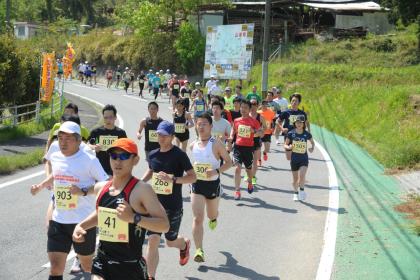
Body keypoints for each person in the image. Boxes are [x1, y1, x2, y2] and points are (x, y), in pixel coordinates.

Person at [72, 138, 170, 280]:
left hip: (129, 266)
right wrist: (81, 226)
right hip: (103, 260)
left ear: (135, 160)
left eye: (124, 156)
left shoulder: (142, 190)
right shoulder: (101, 187)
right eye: (114, 156)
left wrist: (134, 218)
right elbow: (102, 214)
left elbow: (165, 225)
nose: (117, 161)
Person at [31, 121, 109, 280]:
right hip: (59, 220)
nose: (63, 142)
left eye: (68, 139)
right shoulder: (55, 155)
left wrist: (83, 191)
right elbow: (57, 174)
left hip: (83, 222)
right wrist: (41, 186)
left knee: (87, 265)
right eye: (60, 138)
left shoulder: (89, 160)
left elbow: (106, 184)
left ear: (79, 141)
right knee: (55, 267)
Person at [141, 121, 197, 279]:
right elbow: (151, 170)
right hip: (154, 205)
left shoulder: (179, 155)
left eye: (165, 135)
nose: (161, 138)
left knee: (170, 241)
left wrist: (173, 179)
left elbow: (193, 177)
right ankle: (150, 276)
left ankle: (184, 244)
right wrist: (139, 183)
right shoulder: (153, 153)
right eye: (159, 134)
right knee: (153, 240)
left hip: (172, 206)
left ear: (172, 137)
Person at [189, 113, 232, 262]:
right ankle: (199, 250)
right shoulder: (193, 144)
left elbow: (229, 162)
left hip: (213, 184)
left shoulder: (216, 143)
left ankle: (214, 218)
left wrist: (216, 171)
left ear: (210, 127)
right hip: (197, 185)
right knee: (197, 218)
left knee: (211, 215)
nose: (200, 127)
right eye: (198, 124)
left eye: (204, 124)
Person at [228, 100, 262, 200]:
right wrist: (230, 137)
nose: (243, 109)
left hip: (248, 148)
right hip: (238, 147)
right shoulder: (237, 120)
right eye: (241, 107)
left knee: (248, 169)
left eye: (245, 108)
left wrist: (254, 131)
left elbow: (261, 133)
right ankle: (237, 191)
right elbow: (233, 130)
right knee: (237, 168)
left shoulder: (254, 121)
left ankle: (250, 182)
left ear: (249, 109)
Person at [88, 104, 127, 176]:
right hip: (100, 168)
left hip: (116, 168)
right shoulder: (96, 132)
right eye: (105, 118)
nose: (108, 120)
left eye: (110, 117)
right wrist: (94, 147)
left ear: (115, 117)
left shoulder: (121, 133)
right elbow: (88, 144)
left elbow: (126, 149)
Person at [284, 115, 315, 201]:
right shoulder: (291, 133)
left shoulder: (307, 134)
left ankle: (301, 191)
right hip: (294, 159)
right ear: (295, 123)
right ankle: (295, 193)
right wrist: (288, 147)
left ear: (304, 124)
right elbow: (285, 144)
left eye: (300, 122)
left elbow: (312, 143)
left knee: (302, 176)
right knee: (295, 179)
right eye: (297, 122)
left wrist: (312, 148)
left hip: (303, 159)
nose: (299, 124)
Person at [277, 94, 309, 161]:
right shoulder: (286, 112)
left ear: (299, 103)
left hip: (299, 137)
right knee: (289, 158)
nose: (294, 102)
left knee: (297, 157)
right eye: (293, 100)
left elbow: (306, 123)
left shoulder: (302, 113)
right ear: (290, 102)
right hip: (288, 136)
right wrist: (282, 129)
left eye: (296, 101)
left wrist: (307, 132)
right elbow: (277, 121)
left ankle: (297, 166)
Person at [248, 99, 263, 186]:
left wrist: (261, 132)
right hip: (246, 141)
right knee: (248, 161)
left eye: (254, 104)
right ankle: (249, 174)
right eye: (251, 104)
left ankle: (253, 177)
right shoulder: (246, 116)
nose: (253, 106)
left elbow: (265, 127)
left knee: (254, 161)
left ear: (257, 105)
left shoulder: (260, 117)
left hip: (256, 140)